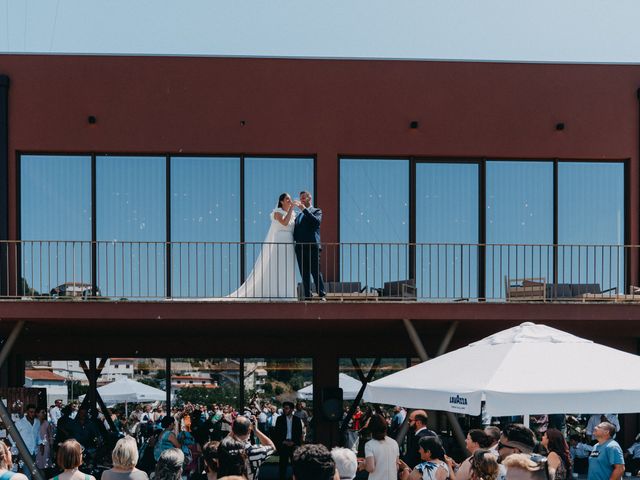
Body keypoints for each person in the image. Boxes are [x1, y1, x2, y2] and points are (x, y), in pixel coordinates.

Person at [219, 193, 297, 300]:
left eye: (290, 199)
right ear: (281, 201)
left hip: (289, 243)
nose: (290, 200)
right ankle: (275, 293)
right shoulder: (277, 213)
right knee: (278, 266)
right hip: (280, 241)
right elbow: (284, 223)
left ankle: (288, 294)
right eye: (287, 199)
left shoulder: (293, 214)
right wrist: (292, 208)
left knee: (287, 267)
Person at [293, 190, 326, 300]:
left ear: (309, 198)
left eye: (303, 197)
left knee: (315, 271)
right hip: (300, 248)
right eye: (300, 198)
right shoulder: (298, 217)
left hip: (312, 246)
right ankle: (308, 296)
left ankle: (322, 295)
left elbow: (316, 222)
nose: (301, 200)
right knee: (304, 274)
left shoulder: (317, 211)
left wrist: (304, 209)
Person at [226, 416, 275, 480]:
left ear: (233, 430)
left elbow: (223, 442)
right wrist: (256, 430)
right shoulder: (255, 451)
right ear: (249, 430)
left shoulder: (224, 449)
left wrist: (234, 429)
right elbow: (272, 447)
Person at [363, 414, 400, 480]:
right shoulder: (394, 442)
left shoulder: (369, 445)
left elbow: (371, 468)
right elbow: (397, 466)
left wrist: (364, 464)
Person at [274, 402, 304, 480]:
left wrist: (294, 442)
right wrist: (283, 441)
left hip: (294, 444)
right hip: (283, 444)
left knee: (296, 465)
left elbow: (299, 433)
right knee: (283, 465)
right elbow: (277, 433)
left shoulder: (297, 420)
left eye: (286, 408)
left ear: (291, 409)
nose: (284, 410)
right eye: (284, 408)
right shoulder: (280, 419)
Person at [15, 404, 41, 471]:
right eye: (31, 412)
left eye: (34, 412)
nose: (33, 414)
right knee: (27, 473)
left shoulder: (37, 422)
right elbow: (12, 436)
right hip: (24, 452)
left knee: (33, 472)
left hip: (34, 451)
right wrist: (18, 448)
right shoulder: (20, 423)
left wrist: (41, 444)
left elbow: (38, 434)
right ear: (27, 412)